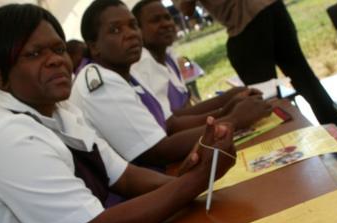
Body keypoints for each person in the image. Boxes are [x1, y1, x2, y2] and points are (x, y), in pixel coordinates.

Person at [0, 3, 236, 223]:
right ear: (0, 78)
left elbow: (124, 176)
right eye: (34, 54)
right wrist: (194, 181)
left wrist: (182, 184)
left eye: (58, 49)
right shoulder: (9, 138)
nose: (55, 61)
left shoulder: (61, 111)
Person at [70, 0, 271, 169]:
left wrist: (227, 106)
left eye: (133, 25)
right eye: (115, 30)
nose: (131, 34)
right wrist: (234, 120)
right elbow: (158, 151)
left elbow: (171, 122)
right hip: (140, 194)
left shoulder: (122, 71)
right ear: (94, 46)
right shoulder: (101, 82)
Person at [173, 0, 337, 131]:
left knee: (265, 101)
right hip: (271, 8)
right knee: (303, 80)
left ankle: (298, 158)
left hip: (246, 23)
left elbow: (186, 8)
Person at [131, 0, 261, 118]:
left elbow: (187, 107)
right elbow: (170, 122)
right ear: (138, 30)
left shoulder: (168, 56)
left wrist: (230, 98)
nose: (166, 24)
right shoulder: (143, 64)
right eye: (155, 20)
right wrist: (227, 110)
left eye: (167, 17)